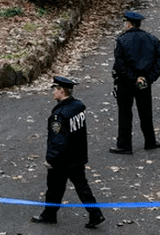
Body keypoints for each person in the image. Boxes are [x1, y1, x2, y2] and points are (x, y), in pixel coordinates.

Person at [31, 76, 106, 229]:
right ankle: (95, 213)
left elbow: (58, 141)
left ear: (62, 90)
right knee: (82, 186)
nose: (52, 91)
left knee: (54, 187)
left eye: (54, 88)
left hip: (62, 159)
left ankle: (49, 214)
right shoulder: (78, 106)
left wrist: (50, 159)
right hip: (77, 156)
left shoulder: (59, 115)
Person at [110, 11, 160, 155]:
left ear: (128, 23)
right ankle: (150, 141)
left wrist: (133, 77)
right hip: (145, 82)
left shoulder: (122, 40)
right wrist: (149, 77)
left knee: (125, 113)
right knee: (146, 113)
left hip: (125, 83)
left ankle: (124, 145)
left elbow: (120, 65)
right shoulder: (152, 39)